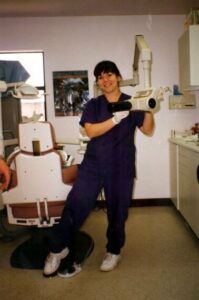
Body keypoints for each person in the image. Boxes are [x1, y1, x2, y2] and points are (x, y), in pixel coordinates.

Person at [43, 60, 154, 276]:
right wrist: (114, 119)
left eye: (109, 75)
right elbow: (91, 132)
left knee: (117, 211)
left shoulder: (132, 103)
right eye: (101, 77)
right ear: (98, 82)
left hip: (121, 166)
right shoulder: (93, 105)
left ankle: (113, 250)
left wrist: (149, 107)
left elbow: (148, 130)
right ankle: (58, 249)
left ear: (118, 77)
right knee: (76, 204)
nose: (106, 80)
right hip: (93, 164)